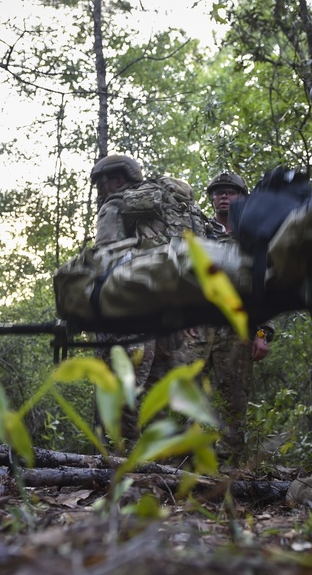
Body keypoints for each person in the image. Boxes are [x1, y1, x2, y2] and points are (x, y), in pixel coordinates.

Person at [89, 154, 212, 443]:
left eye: (101, 184)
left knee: (128, 385)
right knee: (157, 390)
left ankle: (126, 455)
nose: (100, 191)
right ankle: (154, 461)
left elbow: (107, 258)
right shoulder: (165, 209)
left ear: (116, 180)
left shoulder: (116, 206)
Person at [194, 171, 273, 463]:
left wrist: (264, 332)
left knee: (234, 402)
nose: (223, 196)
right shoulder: (197, 232)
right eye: (218, 192)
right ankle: (187, 465)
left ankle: (229, 471)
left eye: (231, 191)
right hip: (197, 330)